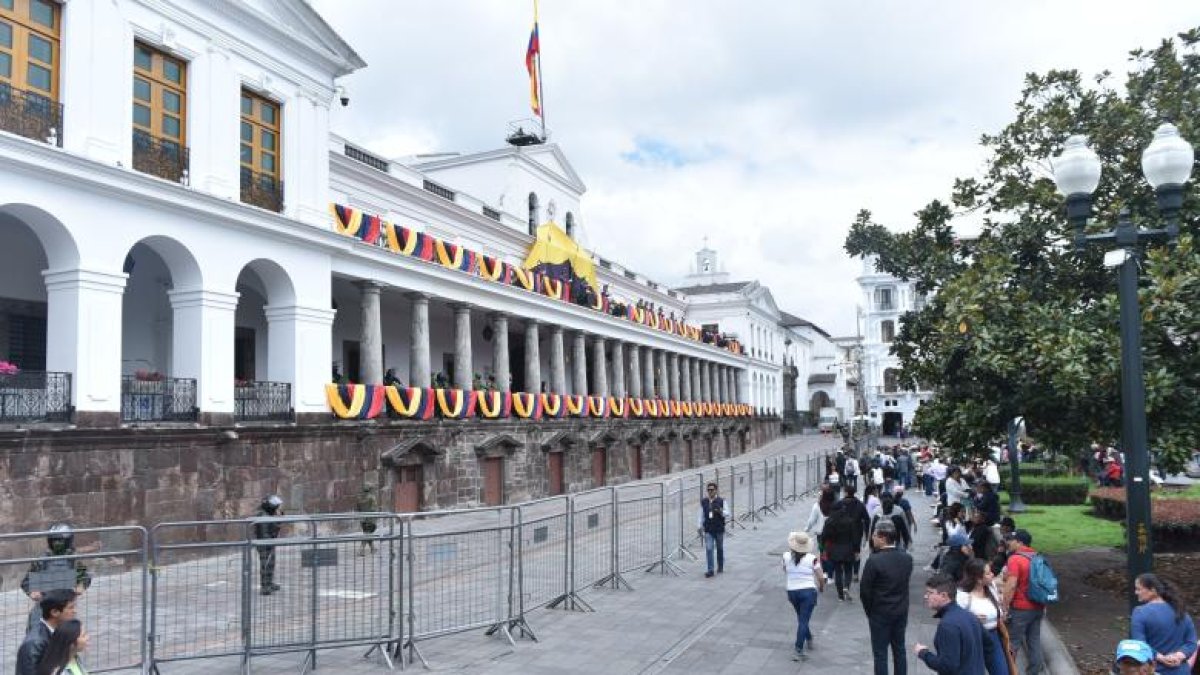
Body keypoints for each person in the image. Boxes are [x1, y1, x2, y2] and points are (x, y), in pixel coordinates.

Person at [860, 522, 913, 675]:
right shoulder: (907, 558)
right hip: (901, 610)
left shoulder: (874, 560)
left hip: (880, 612)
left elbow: (865, 591)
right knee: (900, 650)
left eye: (875, 536)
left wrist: (870, 611)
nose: (873, 538)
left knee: (880, 653)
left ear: (883, 538)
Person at [914, 573, 990, 674]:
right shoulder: (970, 616)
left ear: (944, 596)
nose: (925, 596)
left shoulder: (948, 625)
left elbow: (947, 666)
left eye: (930, 593)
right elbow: (988, 644)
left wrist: (923, 653)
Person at [21, 524, 92, 631]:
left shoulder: (73, 559)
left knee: (67, 636)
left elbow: (85, 576)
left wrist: (81, 584)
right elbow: (26, 581)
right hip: (44, 606)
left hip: (65, 606)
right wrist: (32, 591)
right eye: (54, 541)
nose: (57, 544)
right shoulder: (42, 560)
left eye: (60, 541)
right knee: (36, 630)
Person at [1130, 573, 1196, 674]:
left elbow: (1140, 644)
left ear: (1152, 590)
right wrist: (1178, 656)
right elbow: (1191, 643)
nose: (1136, 592)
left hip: (1154, 670)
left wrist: (1162, 658)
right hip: (1181, 671)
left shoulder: (1140, 612)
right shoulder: (1181, 611)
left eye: (1139, 589)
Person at [1001, 529, 1045, 675]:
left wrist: (1004, 606)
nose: (1009, 543)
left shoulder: (1015, 559)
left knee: (1012, 642)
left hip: (1020, 608)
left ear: (1019, 542)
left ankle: (1007, 671)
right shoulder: (1038, 557)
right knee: (1034, 641)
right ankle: (1033, 672)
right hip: (1038, 606)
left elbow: (1012, 584)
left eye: (1012, 540)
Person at [958, 558, 1013, 675]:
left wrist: (1002, 612)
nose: (992, 574)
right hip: (973, 639)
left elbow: (998, 609)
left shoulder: (991, 587)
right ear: (978, 579)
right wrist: (971, 619)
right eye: (988, 573)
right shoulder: (962, 596)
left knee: (1002, 671)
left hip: (993, 636)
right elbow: (953, 620)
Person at [782, 531, 825, 662]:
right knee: (803, 620)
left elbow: (785, 570)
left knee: (801, 618)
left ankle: (809, 637)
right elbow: (820, 577)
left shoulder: (785, 556)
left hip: (792, 591)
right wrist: (821, 587)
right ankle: (798, 649)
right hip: (807, 592)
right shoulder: (812, 559)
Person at [17, 589, 77, 675]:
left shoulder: (60, 633)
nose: (75, 611)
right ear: (54, 612)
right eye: (71, 608)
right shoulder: (34, 643)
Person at [822, 501, 858, 601]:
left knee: (838, 571)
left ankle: (840, 596)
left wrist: (823, 548)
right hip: (848, 548)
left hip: (835, 549)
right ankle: (846, 586)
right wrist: (856, 550)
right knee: (848, 570)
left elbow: (824, 536)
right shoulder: (850, 521)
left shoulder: (830, 521)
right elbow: (855, 538)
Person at [839, 484, 872, 584]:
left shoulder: (840, 504)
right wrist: (867, 533)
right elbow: (867, 519)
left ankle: (846, 571)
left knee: (844, 551)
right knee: (856, 553)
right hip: (857, 532)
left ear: (846, 493)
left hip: (843, 532)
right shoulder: (860, 504)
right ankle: (856, 573)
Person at [254, 495, 285, 595]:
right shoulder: (263, 516)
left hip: (269, 543)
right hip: (264, 545)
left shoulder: (268, 516)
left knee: (271, 564)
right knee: (266, 565)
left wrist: (279, 520)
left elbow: (274, 529)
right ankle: (264, 586)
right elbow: (264, 533)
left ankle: (269, 583)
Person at [698, 482, 730, 578]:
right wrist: (699, 526)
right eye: (708, 490)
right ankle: (710, 570)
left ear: (716, 490)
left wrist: (720, 511)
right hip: (708, 529)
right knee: (709, 548)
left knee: (719, 548)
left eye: (712, 490)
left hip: (719, 529)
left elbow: (727, 513)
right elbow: (700, 515)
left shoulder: (721, 501)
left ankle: (720, 565)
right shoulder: (704, 502)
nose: (710, 491)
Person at [805, 486, 837, 576]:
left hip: (821, 534)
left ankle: (825, 572)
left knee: (823, 552)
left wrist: (807, 529)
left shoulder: (817, 506)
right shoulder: (836, 506)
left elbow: (812, 520)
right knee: (832, 552)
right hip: (833, 533)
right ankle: (831, 573)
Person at [356, 486, 378, 556]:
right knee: (367, 534)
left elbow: (358, 509)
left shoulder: (359, 498)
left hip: (362, 519)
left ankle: (373, 548)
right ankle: (361, 550)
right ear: (370, 489)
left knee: (367, 533)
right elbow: (373, 509)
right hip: (370, 519)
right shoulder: (372, 498)